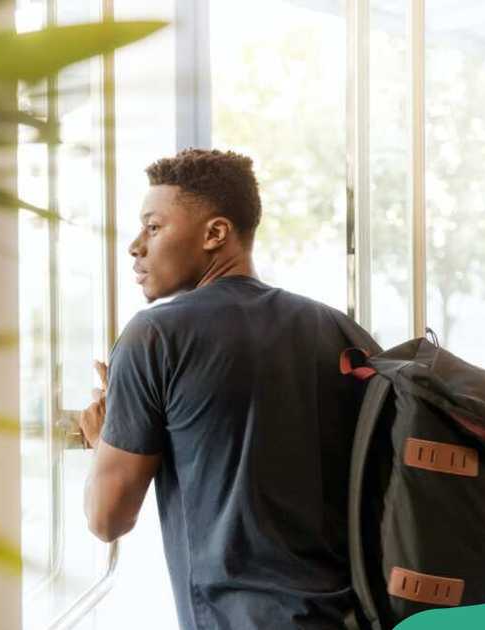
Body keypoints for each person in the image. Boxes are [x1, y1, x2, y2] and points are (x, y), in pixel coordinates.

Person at [78, 148, 368, 629]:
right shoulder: (338, 330)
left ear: (216, 233)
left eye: (153, 227)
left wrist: (102, 439)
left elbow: (106, 519)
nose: (135, 245)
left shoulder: (155, 336)